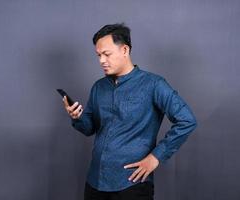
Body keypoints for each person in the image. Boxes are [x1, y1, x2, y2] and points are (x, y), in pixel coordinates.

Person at [62, 23, 197, 200]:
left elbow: (187, 120)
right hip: (95, 181)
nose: (101, 60)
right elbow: (89, 128)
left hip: (131, 185)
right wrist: (77, 117)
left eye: (106, 54)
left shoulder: (154, 84)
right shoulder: (99, 87)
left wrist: (156, 157)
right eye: (98, 55)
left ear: (124, 50)